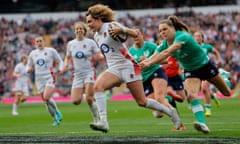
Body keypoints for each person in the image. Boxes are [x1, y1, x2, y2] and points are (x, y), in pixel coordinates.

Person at [86, 4, 181, 133]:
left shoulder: (111, 26)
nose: (88, 25)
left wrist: (123, 30)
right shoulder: (96, 36)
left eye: (90, 21)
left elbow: (134, 33)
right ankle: (103, 122)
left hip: (128, 66)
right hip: (114, 68)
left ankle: (170, 112)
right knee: (97, 87)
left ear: (98, 19)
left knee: (142, 102)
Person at [139, 15, 231, 134]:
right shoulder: (164, 44)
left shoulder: (182, 36)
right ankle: (202, 123)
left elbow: (167, 52)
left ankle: (223, 76)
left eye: (165, 29)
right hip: (191, 71)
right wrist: (144, 62)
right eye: (160, 31)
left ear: (172, 28)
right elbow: (155, 55)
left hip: (205, 66)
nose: (162, 32)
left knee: (227, 93)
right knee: (191, 96)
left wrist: (149, 62)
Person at [128, 29, 184, 130]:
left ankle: (174, 115)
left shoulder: (151, 46)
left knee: (159, 98)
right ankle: (168, 98)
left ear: (142, 35)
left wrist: (150, 61)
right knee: (158, 114)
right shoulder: (130, 52)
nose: (135, 36)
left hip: (156, 72)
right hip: (143, 79)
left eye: (138, 34)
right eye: (133, 35)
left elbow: (166, 60)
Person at [61, 22, 103, 125]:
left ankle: (97, 119)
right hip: (77, 74)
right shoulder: (71, 44)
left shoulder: (90, 42)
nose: (79, 30)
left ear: (84, 31)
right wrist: (65, 65)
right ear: (74, 31)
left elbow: (98, 54)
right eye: (77, 29)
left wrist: (100, 56)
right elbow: (68, 57)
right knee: (75, 101)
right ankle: (92, 98)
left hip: (89, 72)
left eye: (81, 29)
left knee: (88, 99)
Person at [26, 36, 63, 126]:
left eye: (40, 41)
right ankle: (55, 119)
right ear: (35, 43)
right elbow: (28, 65)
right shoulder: (33, 53)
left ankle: (57, 112)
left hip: (49, 76)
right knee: (46, 101)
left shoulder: (51, 51)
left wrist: (60, 68)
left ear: (44, 41)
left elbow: (60, 61)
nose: (39, 43)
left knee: (46, 97)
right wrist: (28, 69)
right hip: (39, 79)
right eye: (37, 41)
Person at [193, 31, 222, 117]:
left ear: (202, 38)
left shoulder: (206, 47)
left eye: (199, 36)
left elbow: (216, 52)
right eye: (195, 36)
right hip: (196, 71)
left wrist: (219, 60)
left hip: (207, 70)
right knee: (200, 89)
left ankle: (208, 109)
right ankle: (213, 96)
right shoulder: (192, 48)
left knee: (204, 88)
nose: (197, 38)